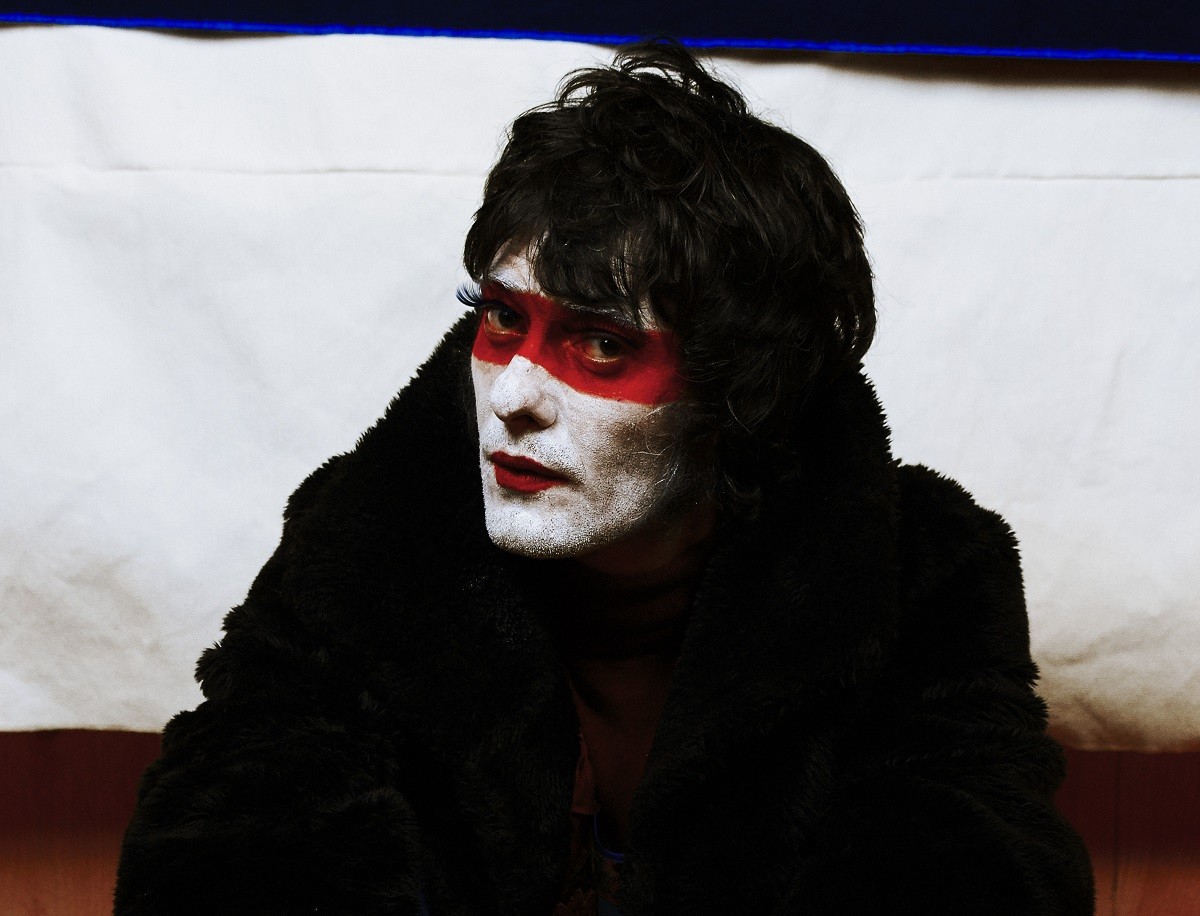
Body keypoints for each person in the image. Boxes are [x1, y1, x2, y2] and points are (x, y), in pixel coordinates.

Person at [114, 39, 1095, 915]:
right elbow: (228, 837)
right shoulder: (362, 541)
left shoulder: (921, 572)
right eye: (503, 320)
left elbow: (975, 862)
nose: (513, 395)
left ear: (739, 389)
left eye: (600, 344)